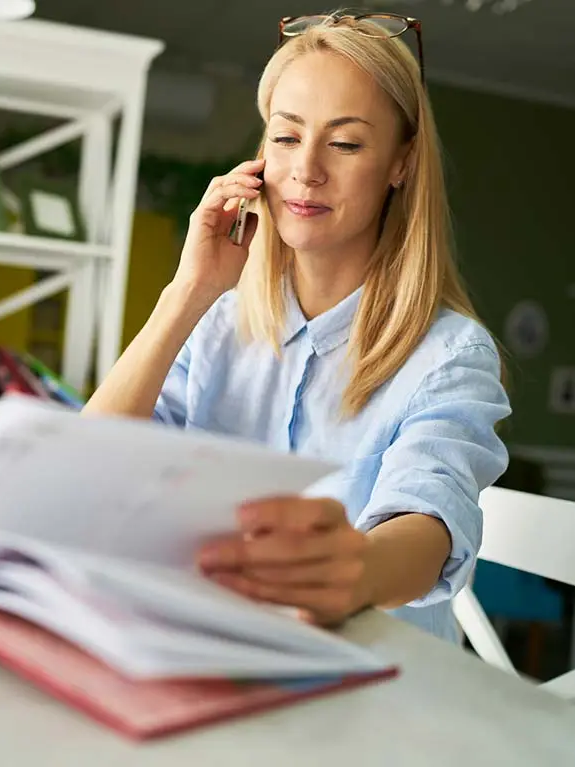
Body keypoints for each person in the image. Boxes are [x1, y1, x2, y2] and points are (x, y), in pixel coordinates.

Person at [84, 12, 511, 642]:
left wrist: (357, 571)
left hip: (377, 692)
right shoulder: (215, 321)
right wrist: (187, 292)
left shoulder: (450, 355)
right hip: (211, 650)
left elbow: (429, 517)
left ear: (401, 163)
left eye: (344, 143)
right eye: (286, 138)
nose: (306, 170)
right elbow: (92, 465)